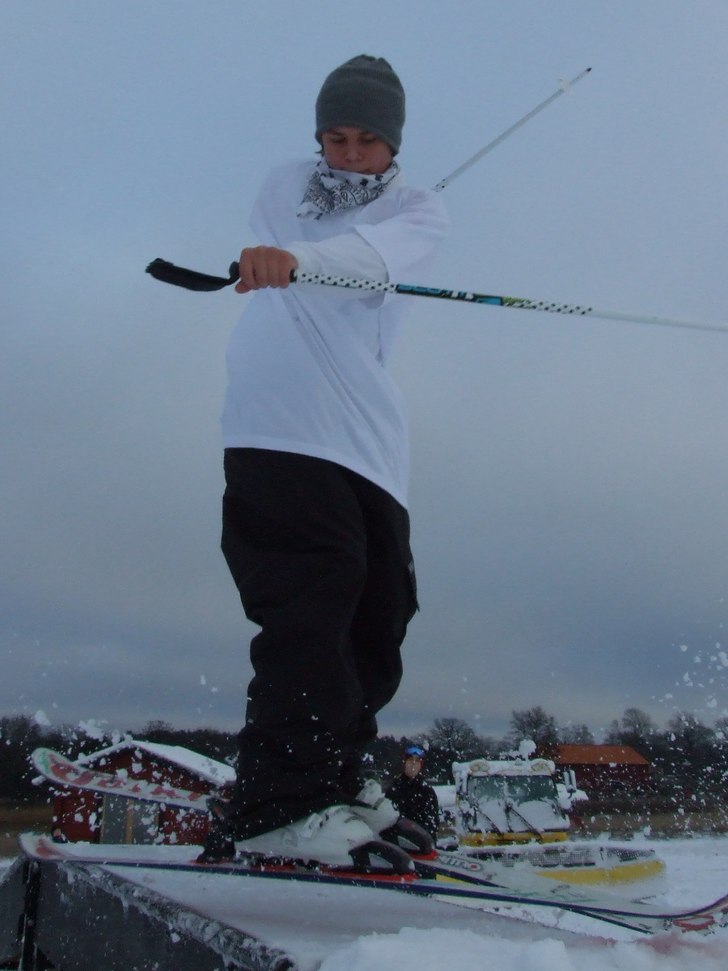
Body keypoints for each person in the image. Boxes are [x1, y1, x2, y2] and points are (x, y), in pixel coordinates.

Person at [204, 55, 448, 868]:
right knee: (312, 597)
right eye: (334, 137)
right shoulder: (288, 187)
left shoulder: (418, 210)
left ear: (394, 144)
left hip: (370, 441)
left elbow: (373, 260)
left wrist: (303, 263)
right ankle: (280, 802)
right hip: (280, 423)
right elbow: (305, 238)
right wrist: (286, 257)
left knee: (380, 612)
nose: (347, 154)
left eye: (365, 140)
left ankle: (335, 777)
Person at [386, 745, 441, 841]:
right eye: (411, 760)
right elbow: (387, 818)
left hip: (421, 845)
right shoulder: (394, 789)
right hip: (398, 844)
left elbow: (433, 821)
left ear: (421, 765)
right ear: (405, 763)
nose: (413, 764)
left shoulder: (427, 791)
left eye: (417, 761)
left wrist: (422, 838)